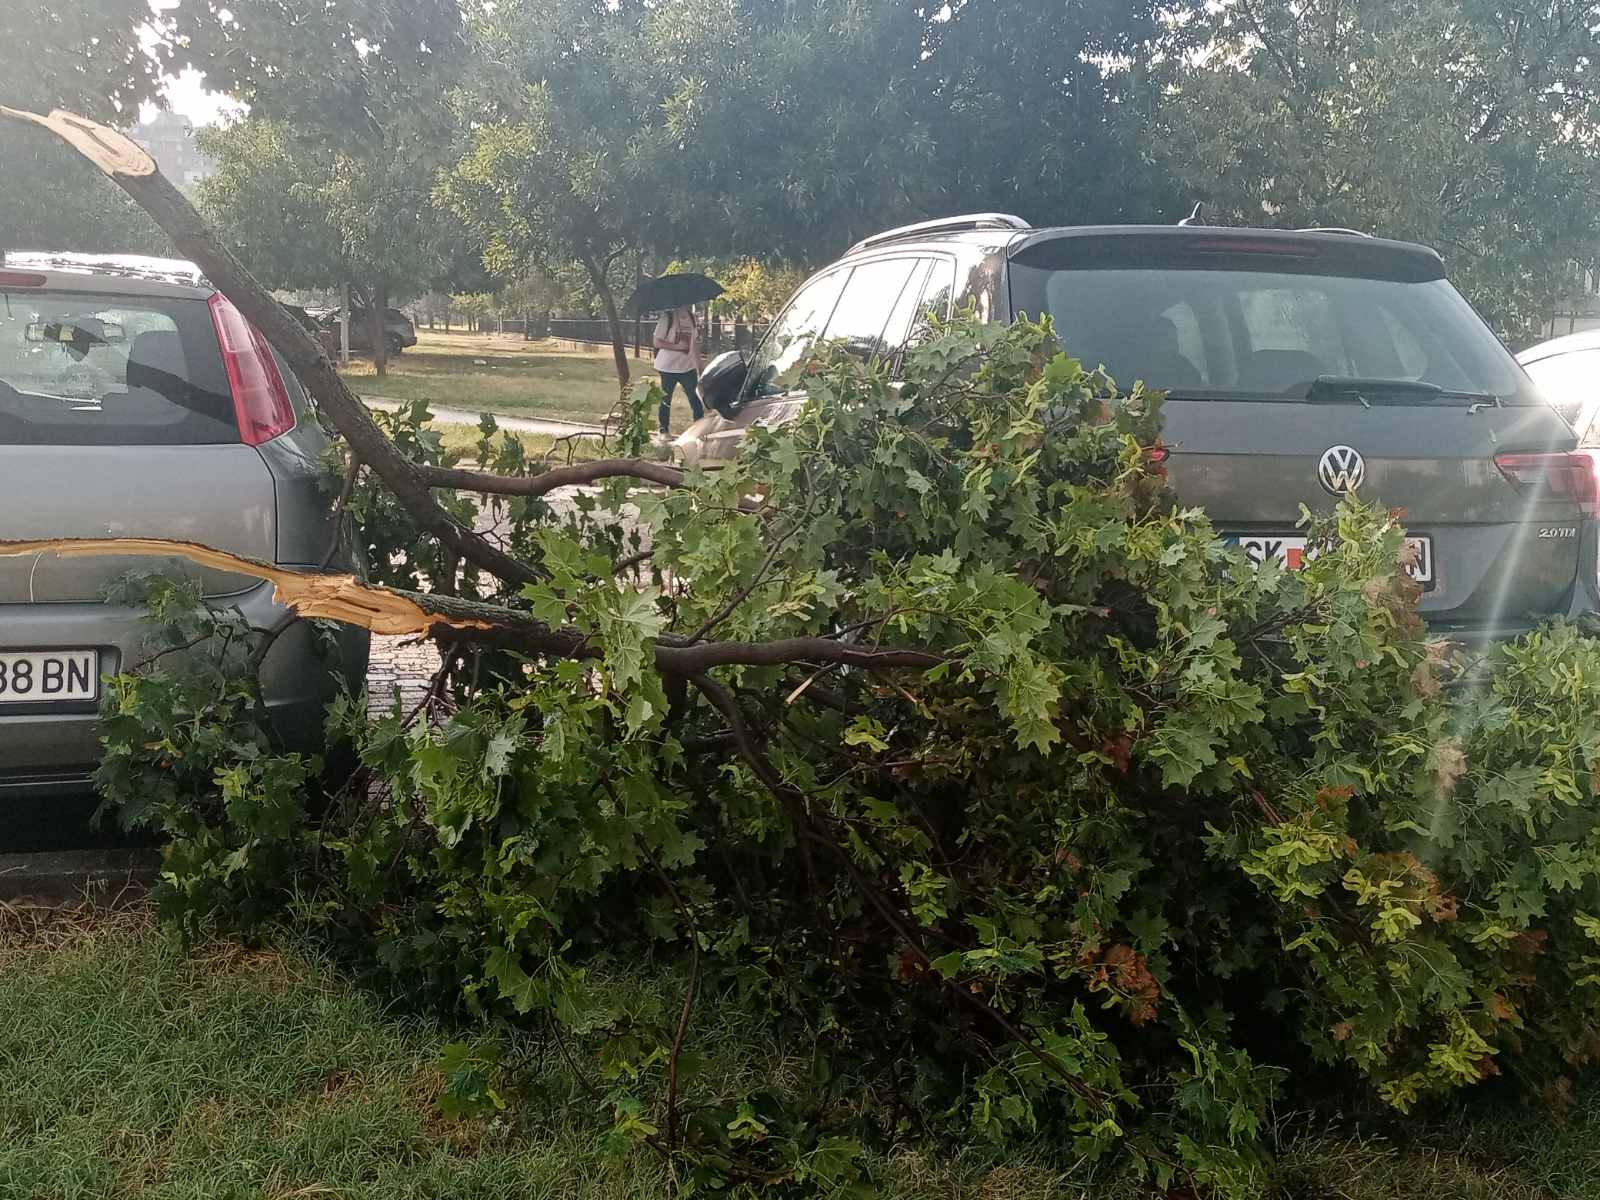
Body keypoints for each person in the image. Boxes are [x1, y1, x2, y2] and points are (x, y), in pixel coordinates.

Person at [653, 304, 704, 436]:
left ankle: (699, 430)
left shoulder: (692, 318)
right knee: (666, 399)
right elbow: (656, 342)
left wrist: (700, 368)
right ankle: (664, 430)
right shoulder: (668, 317)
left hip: (687, 367)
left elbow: (694, 345)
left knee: (696, 399)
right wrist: (677, 346)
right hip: (668, 368)